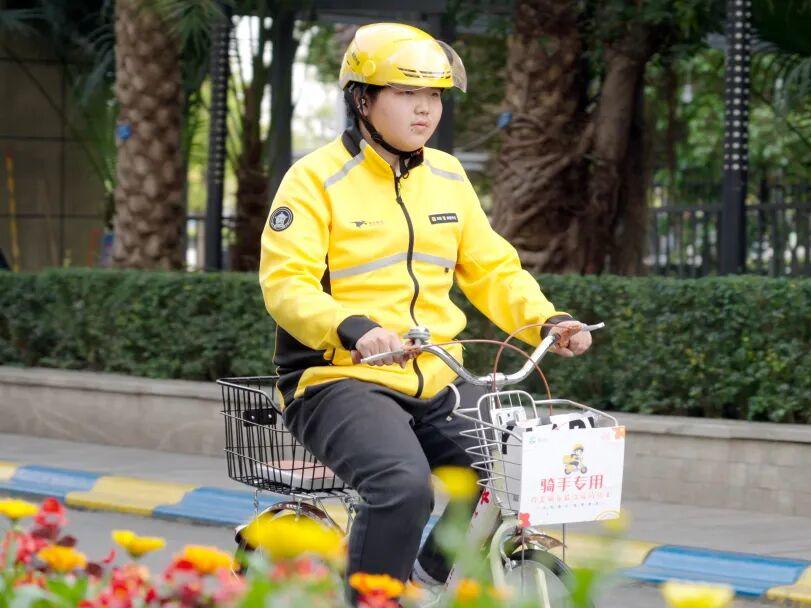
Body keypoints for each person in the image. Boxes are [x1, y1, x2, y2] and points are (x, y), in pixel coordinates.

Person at [258, 22, 593, 604]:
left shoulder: (447, 176)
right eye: (406, 93)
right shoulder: (312, 180)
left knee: (508, 473)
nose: (424, 109)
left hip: (440, 375)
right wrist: (355, 329)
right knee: (402, 485)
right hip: (339, 378)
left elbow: (491, 268)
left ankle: (427, 580)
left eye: (434, 95)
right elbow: (286, 285)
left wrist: (546, 319)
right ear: (363, 99)